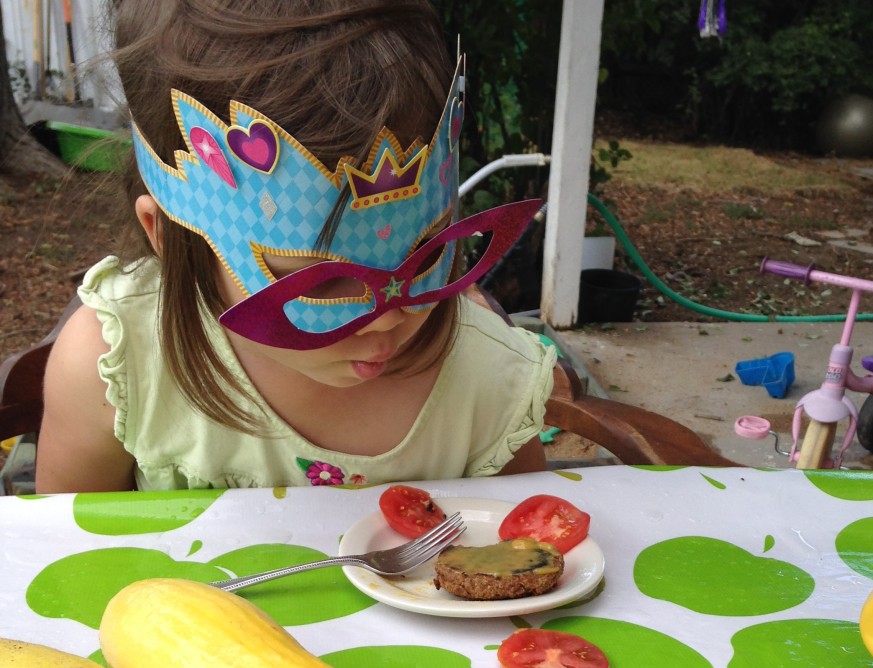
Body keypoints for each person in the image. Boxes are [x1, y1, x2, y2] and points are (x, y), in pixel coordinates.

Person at [36, 0, 555, 492]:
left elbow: (528, 546)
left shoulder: (489, 378)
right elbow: (64, 551)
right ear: (166, 235)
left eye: (427, 250)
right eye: (317, 278)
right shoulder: (113, 364)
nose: (384, 319)